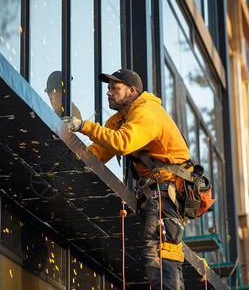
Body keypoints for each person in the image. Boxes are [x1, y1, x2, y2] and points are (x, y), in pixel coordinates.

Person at [62, 69, 188, 290]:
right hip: (156, 194)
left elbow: (122, 142)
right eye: (108, 88)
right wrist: (63, 149)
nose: (108, 93)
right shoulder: (120, 120)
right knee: (156, 254)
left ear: (131, 91)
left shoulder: (148, 113)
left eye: (114, 88)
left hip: (167, 195)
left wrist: (83, 126)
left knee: (160, 254)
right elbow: (97, 152)